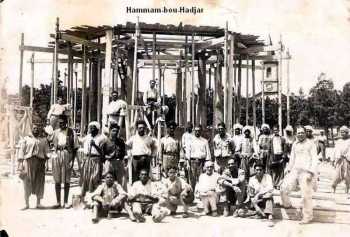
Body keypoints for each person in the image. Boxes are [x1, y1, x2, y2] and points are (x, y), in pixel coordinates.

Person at [280, 127, 319, 224]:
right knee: (283, 187)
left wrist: (311, 172)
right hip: (295, 170)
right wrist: (288, 169)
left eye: (302, 133)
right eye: (298, 133)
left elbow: (315, 159)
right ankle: (287, 204)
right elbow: (292, 159)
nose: (300, 134)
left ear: (305, 133)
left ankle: (308, 216)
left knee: (306, 195)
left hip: (306, 171)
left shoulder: (311, 144)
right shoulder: (295, 144)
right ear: (296, 134)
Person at [50, 115, 79, 208]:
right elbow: (49, 141)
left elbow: (75, 148)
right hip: (57, 153)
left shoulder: (71, 132)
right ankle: (58, 202)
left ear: (66, 122)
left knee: (67, 179)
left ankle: (65, 202)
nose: (61, 124)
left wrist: (72, 161)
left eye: (62, 122)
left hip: (67, 154)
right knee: (57, 179)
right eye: (59, 123)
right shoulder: (55, 132)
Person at [17, 124, 49, 209]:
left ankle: (38, 203)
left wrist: (47, 164)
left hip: (40, 163)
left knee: (39, 182)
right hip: (28, 162)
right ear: (31, 129)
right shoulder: (26, 139)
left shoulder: (43, 140)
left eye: (37, 129)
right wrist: (20, 165)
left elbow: (47, 153)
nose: (36, 130)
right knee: (27, 182)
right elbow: (21, 152)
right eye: (34, 128)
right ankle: (26, 203)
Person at [80, 121, 105, 199]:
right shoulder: (88, 137)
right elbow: (80, 141)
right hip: (87, 159)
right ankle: (83, 197)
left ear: (97, 129)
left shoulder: (101, 138)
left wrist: (94, 145)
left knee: (94, 179)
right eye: (90, 128)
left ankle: (95, 197)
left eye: (93, 128)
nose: (91, 129)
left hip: (96, 160)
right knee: (85, 178)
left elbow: (102, 152)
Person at [186, 125, 211, 190]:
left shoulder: (205, 141)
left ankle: (201, 194)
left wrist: (207, 164)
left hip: (201, 162)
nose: (197, 132)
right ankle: (192, 195)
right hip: (192, 162)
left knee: (202, 178)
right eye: (196, 131)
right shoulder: (190, 141)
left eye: (199, 131)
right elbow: (188, 153)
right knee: (192, 180)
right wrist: (188, 163)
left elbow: (208, 154)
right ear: (194, 131)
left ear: (201, 131)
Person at [102, 122, 127, 189]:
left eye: (116, 131)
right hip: (109, 163)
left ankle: (123, 196)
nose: (115, 133)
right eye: (113, 131)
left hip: (119, 162)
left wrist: (121, 159)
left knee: (122, 181)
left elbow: (124, 152)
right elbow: (102, 154)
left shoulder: (121, 141)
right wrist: (107, 157)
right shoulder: (105, 142)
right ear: (110, 131)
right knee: (108, 180)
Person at [331, 126, 350, 193]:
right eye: (341, 132)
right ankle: (334, 187)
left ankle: (347, 189)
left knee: (346, 175)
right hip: (339, 160)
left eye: (344, 132)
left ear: (347, 133)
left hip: (347, 160)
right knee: (337, 175)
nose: (342, 133)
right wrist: (333, 160)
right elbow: (335, 150)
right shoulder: (338, 141)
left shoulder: (349, 141)